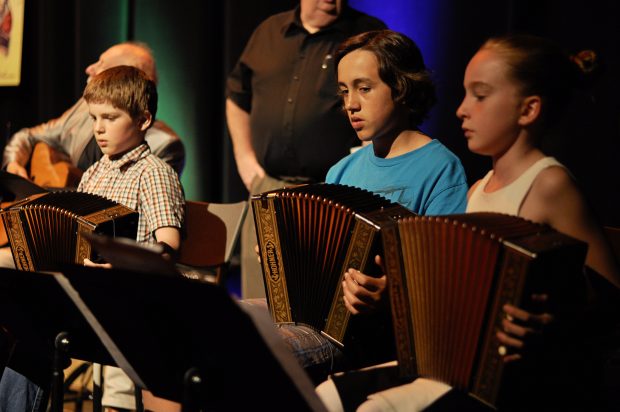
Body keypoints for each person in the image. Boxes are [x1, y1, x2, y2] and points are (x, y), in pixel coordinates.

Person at [317, 33, 620, 412]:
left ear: (528, 110)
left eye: (480, 95)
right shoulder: (477, 189)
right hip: (457, 364)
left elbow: (609, 298)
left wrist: (551, 322)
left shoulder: (550, 183)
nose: (461, 110)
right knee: (327, 395)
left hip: (514, 379)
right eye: (464, 95)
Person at [263, 28, 468, 385]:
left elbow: (447, 281)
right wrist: (283, 251)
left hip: (376, 340)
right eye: (344, 92)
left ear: (402, 88)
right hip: (318, 322)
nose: (350, 104)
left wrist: (390, 292)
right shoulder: (342, 170)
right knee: (223, 326)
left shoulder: (440, 168)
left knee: (255, 354)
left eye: (364, 88)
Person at [0, 65, 185, 412]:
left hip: (130, 299)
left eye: (110, 118)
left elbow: (167, 248)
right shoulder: (95, 172)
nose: (98, 128)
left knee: (38, 325)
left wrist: (120, 264)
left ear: (143, 120)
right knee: (23, 312)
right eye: (94, 117)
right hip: (83, 293)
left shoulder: (155, 174)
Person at [226, 0, 386, 299]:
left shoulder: (366, 34)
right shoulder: (270, 31)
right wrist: (246, 161)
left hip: (330, 197)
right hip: (268, 190)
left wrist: (360, 172)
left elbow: (381, 108)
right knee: (261, 304)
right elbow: (236, 96)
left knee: (318, 304)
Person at [2, 41, 185, 179]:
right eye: (94, 118)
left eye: (102, 64)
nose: (89, 68)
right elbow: (29, 135)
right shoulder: (83, 110)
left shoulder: (166, 147)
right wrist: (14, 162)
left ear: (131, 79)